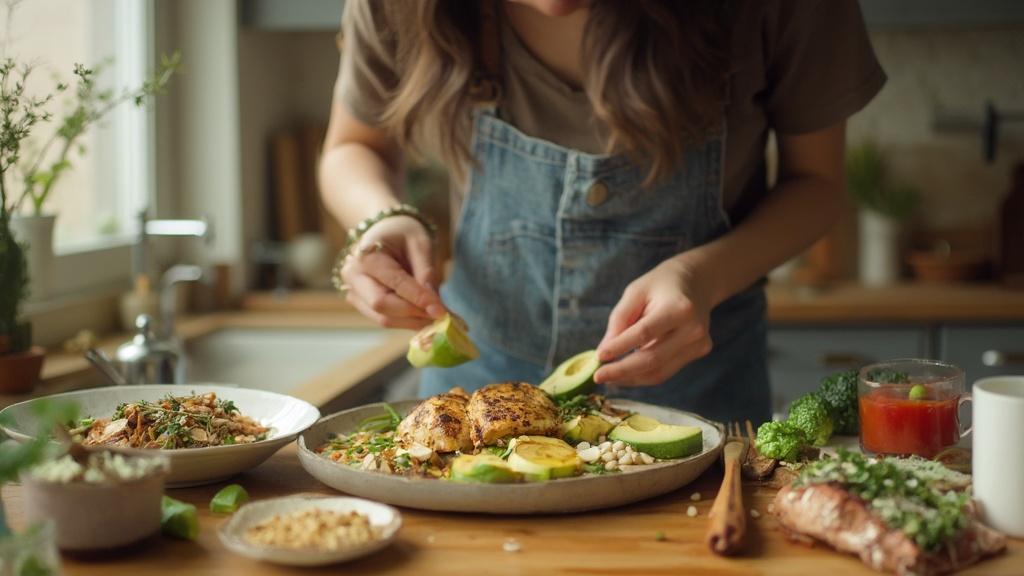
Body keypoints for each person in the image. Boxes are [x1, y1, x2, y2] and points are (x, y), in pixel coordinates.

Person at [319, 0, 885, 423]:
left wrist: (700, 276)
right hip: (471, 391)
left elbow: (816, 185)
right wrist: (380, 217)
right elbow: (353, 147)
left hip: (697, 395)